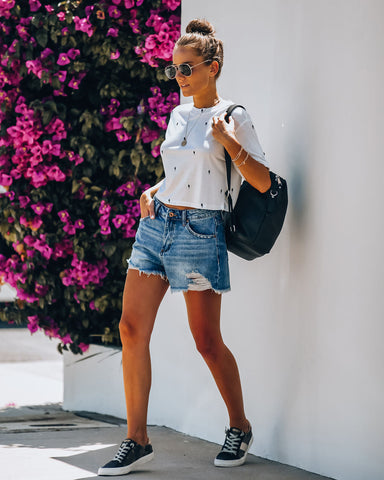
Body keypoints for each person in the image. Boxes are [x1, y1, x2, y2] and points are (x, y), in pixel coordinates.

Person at [98, 18, 271, 477]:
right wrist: (155, 189)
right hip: (157, 225)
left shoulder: (234, 116)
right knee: (131, 329)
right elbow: (183, 170)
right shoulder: (178, 115)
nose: (179, 78)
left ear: (212, 68)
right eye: (174, 70)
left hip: (200, 232)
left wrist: (230, 143)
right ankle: (136, 440)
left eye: (187, 69)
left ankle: (240, 426)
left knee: (207, 341)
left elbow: (262, 181)